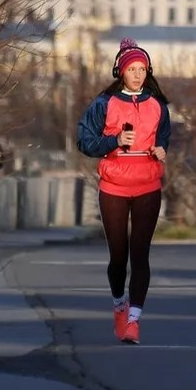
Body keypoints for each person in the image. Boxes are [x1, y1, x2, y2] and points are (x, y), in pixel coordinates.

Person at [76, 38, 171, 344]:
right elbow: (84, 141)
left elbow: (165, 137)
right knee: (119, 257)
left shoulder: (158, 105)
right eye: (132, 68)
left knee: (140, 255)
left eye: (142, 69)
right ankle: (119, 305)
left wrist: (161, 150)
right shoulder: (103, 104)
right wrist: (114, 142)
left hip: (147, 184)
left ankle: (134, 321)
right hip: (114, 185)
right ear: (120, 71)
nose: (138, 74)